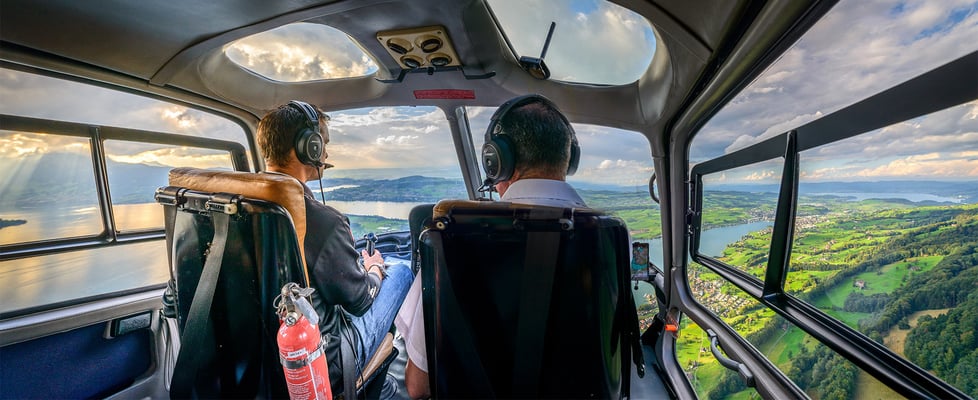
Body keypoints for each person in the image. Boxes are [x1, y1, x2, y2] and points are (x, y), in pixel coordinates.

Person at [395, 94, 585, 398]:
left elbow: (418, 386)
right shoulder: (609, 234)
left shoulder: (453, 236)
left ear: (498, 162)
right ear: (570, 159)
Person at [256, 101, 413, 397]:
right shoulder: (320, 221)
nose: (325, 153)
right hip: (322, 357)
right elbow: (359, 302)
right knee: (401, 271)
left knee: (386, 389)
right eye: (323, 143)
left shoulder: (243, 210)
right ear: (308, 148)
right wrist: (374, 269)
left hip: (263, 356)